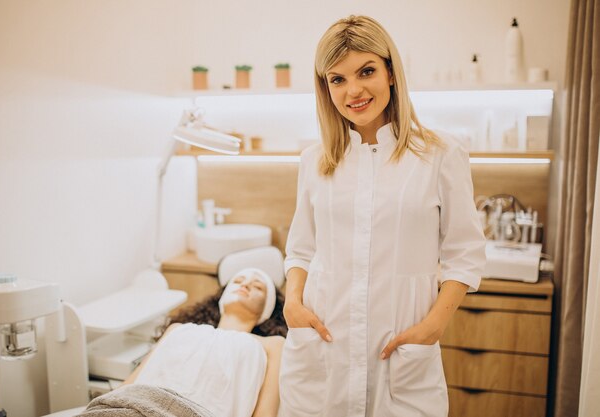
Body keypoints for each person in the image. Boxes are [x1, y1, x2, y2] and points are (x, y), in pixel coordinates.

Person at [279, 15, 486, 417]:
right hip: (322, 352)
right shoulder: (314, 161)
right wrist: (293, 304)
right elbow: (301, 249)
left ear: (391, 72)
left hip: (402, 355)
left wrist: (433, 327)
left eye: (366, 71)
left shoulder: (441, 155)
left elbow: (466, 255)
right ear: (325, 88)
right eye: (337, 79)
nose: (353, 90)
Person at [79, 268, 286, 417]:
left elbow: (265, 413)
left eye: (257, 286)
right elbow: (130, 384)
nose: (246, 284)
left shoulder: (271, 345)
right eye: (239, 280)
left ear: (268, 309)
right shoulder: (179, 329)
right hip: (136, 405)